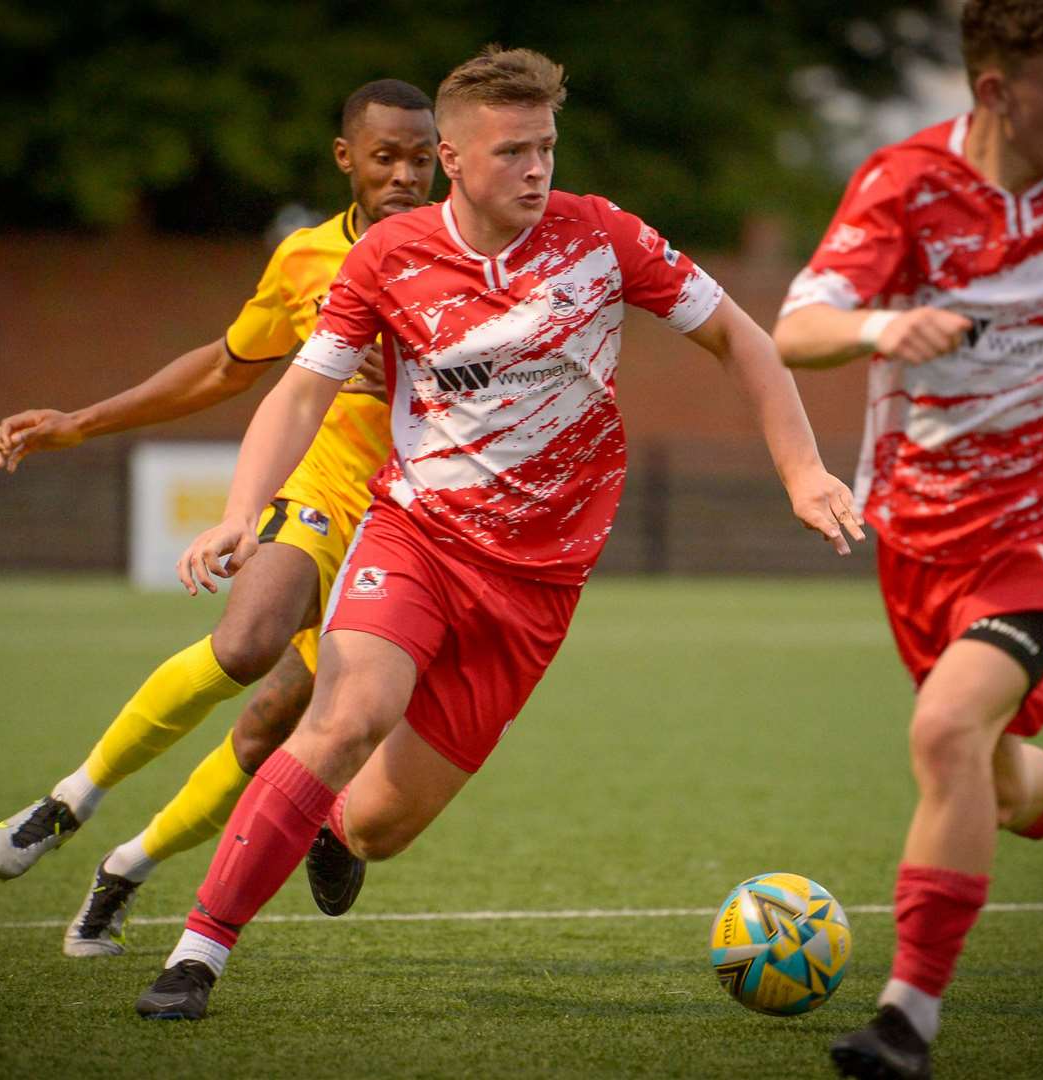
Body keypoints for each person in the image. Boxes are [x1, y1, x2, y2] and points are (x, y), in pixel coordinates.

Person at [132, 44, 862, 1021]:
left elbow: (743, 338)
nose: (535, 170)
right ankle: (197, 954)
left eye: (546, 148)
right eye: (513, 151)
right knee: (345, 716)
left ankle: (334, 830)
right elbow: (300, 390)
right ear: (452, 158)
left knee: (384, 827)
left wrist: (802, 469)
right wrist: (239, 512)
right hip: (415, 539)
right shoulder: (387, 258)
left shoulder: (602, 239)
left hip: (535, 590)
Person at [774, 1, 1043, 1076]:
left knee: (941, 737)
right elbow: (797, 328)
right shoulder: (902, 186)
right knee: (990, 770)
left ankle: (906, 1022)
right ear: (993, 90)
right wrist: (885, 324)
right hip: (922, 533)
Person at [0, 79, 439, 958]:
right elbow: (226, 368)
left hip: (415, 526)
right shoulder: (305, 258)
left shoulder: (468, 257)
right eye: (386, 158)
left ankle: (127, 868)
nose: (405, 176)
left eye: (422, 159)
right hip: (326, 489)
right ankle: (71, 797)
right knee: (244, 641)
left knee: (271, 730)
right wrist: (81, 421)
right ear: (347, 159)